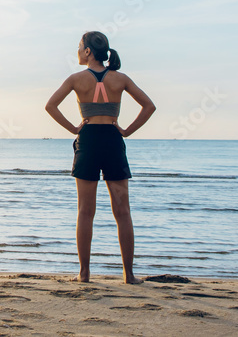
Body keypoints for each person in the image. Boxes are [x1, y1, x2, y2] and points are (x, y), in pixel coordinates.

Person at [44, 31, 155, 284]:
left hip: (89, 140)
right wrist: (126, 131)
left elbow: (50, 106)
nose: (77, 51)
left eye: (79, 46)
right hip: (113, 141)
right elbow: (149, 106)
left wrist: (74, 128)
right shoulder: (120, 79)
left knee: (85, 211)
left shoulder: (76, 79)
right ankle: (129, 275)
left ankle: (84, 275)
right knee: (123, 211)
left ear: (87, 52)